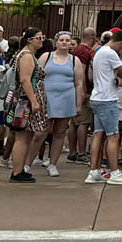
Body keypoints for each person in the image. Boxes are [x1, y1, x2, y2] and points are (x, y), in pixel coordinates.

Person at [84, 29, 122, 185]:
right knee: (113, 136)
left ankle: (94, 170)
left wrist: (115, 75)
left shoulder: (100, 51)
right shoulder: (111, 53)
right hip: (108, 99)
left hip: (97, 97)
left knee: (98, 134)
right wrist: (118, 74)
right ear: (120, 43)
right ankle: (114, 172)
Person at [39, 31, 84, 176]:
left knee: (59, 132)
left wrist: (78, 104)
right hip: (46, 99)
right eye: (62, 40)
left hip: (65, 99)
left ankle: (53, 163)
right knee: (40, 132)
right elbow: (37, 77)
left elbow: (78, 84)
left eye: (68, 40)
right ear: (56, 42)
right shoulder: (46, 57)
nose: (65, 42)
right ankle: (28, 162)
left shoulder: (74, 60)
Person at [8, 28, 49, 183]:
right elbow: (25, 80)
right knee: (22, 136)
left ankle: (19, 170)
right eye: (38, 37)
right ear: (29, 39)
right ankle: (17, 172)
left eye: (42, 37)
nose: (41, 40)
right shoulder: (26, 56)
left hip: (28, 99)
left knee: (26, 135)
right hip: (26, 100)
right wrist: (34, 101)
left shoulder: (28, 55)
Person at [68, 27, 97, 162]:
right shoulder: (84, 52)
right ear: (93, 37)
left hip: (72, 89)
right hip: (82, 90)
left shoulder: (76, 50)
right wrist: (84, 91)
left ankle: (73, 152)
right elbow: (82, 72)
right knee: (83, 122)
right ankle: (81, 152)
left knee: (74, 122)